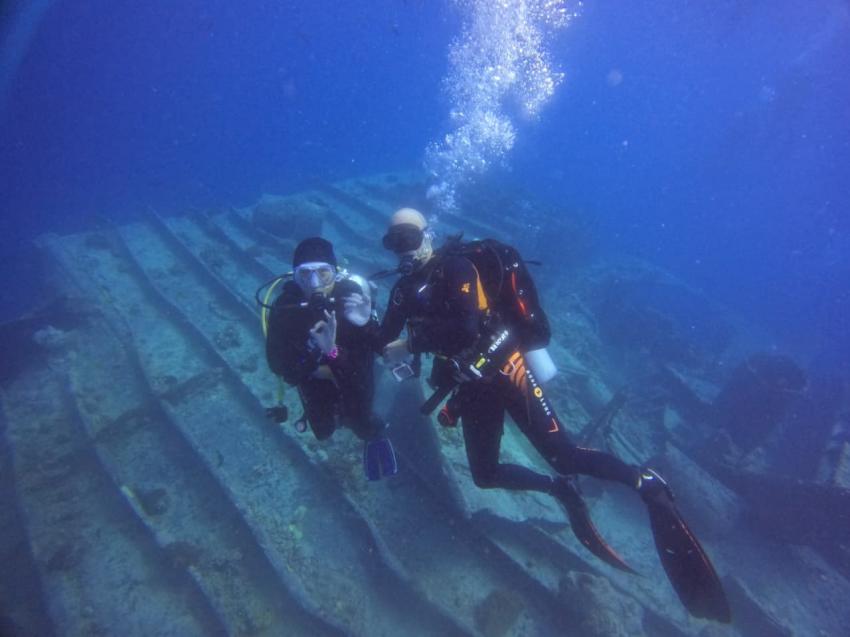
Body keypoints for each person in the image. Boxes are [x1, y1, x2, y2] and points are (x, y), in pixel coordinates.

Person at [378, 208, 730, 623]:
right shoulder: (403, 291)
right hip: (471, 384)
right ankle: (558, 489)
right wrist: (338, 334)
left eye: (409, 238)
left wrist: (411, 343)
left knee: (562, 452)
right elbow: (382, 337)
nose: (403, 249)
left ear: (428, 235)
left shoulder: (455, 268)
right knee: (485, 474)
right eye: (394, 242)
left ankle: (645, 482)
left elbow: (467, 328)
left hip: (505, 367)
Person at [265, 237, 397, 481]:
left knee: (363, 421)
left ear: (335, 274)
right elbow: (278, 364)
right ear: (295, 277)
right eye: (305, 275)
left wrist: (366, 324)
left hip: (353, 373)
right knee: (323, 431)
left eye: (323, 273)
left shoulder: (350, 297)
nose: (315, 284)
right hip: (312, 377)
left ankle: (375, 435)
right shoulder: (285, 309)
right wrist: (315, 357)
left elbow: (382, 349)